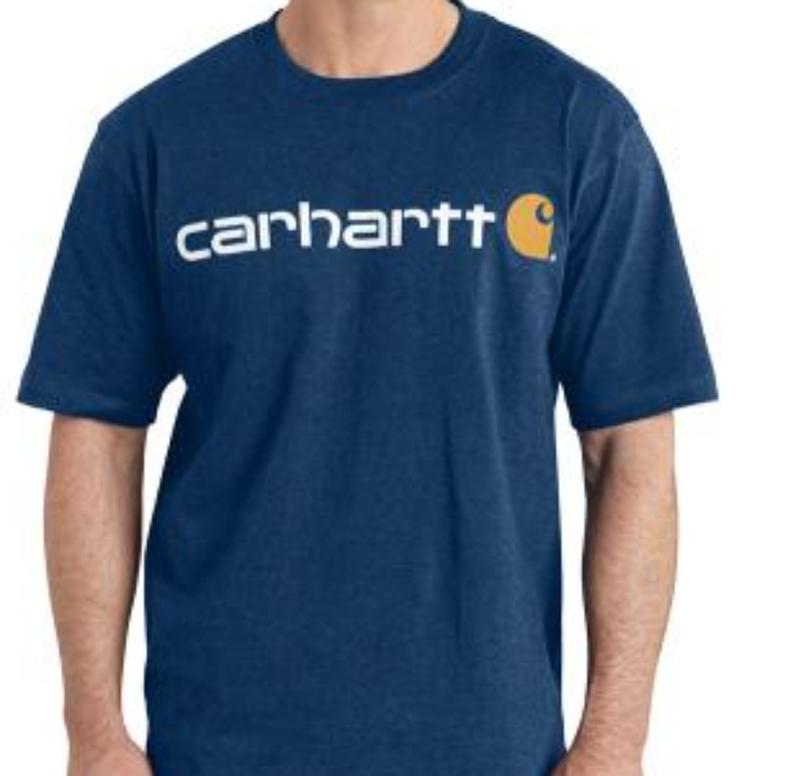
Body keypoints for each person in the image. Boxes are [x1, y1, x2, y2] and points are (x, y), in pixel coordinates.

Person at [18, 1, 717, 774]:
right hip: (219, 744)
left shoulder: (573, 125)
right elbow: (97, 433)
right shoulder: (157, 136)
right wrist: (93, 733)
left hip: (486, 749)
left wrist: (614, 743)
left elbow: (629, 448)